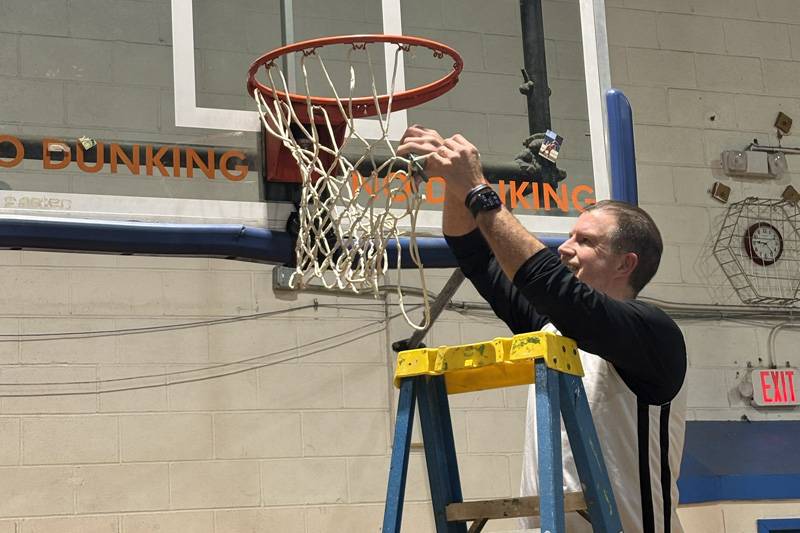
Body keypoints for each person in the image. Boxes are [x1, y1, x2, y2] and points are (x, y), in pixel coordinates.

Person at [398, 125, 688, 533]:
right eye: (569, 235)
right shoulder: (551, 327)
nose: (566, 247)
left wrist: (479, 189)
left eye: (585, 241)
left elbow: (558, 289)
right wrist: (452, 183)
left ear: (626, 264)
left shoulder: (652, 332)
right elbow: (476, 256)